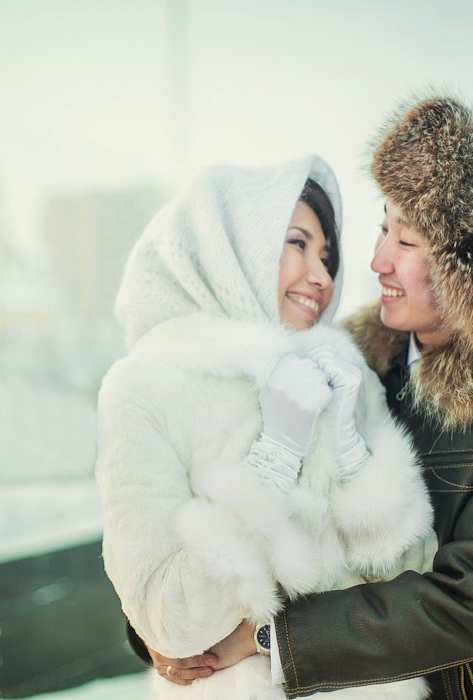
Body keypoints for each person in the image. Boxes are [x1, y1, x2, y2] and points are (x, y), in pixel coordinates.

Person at [152, 95, 473, 699]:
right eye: (382, 228)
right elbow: (241, 506)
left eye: (409, 240)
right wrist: (173, 629)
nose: (376, 261)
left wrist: (272, 639)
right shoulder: (345, 364)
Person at [95, 155, 437, 699]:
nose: (321, 276)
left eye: (327, 256)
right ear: (230, 248)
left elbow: (415, 578)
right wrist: (273, 459)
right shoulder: (145, 388)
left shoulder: (342, 374)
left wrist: (352, 454)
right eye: (297, 243)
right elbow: (168, 623)